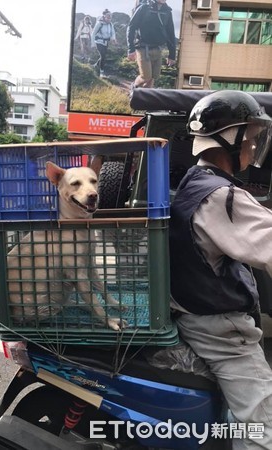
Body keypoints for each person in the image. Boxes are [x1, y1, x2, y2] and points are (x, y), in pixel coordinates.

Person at [169, 90, 272, 449]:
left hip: (198, 312)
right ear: (233, 138)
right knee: (262, 425)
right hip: (221, 328)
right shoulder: (221, 197)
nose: (253, 148)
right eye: (253, 138)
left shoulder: (195, 183)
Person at [127, 0, 176, 88]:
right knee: (145, 77)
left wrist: (172, 55)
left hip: (158, 48)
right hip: (142, 47)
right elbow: (131, 27)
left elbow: (171, 33)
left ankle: (144, 100)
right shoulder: (144, 7)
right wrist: (131, 49)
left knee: (153, 77)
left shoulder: (167, 11)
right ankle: (134, 87)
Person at [91, 9, 117, 79]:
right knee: (103, 56)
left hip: (106, 42)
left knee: (103, 56)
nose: (109, 19)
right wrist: (92, 44)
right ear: (104, 16)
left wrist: (113, 39)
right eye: (107, 17)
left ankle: (95, 65)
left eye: (110, 17)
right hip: (99, 42)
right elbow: (93, 34)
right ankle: (101, 72)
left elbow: (113, 33)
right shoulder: (99, 23)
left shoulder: (111, 24)